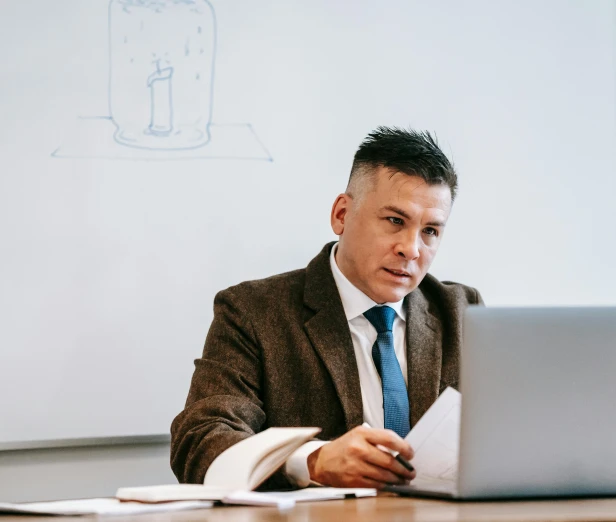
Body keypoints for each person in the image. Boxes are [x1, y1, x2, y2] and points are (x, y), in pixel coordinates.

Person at [170, 127, 483, 490]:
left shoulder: (462, 311)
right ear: (342, 215)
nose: (411, 249)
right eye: (395, 221)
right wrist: (311, 461)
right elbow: (200, 440)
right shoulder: (252, 312)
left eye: (430, 231)